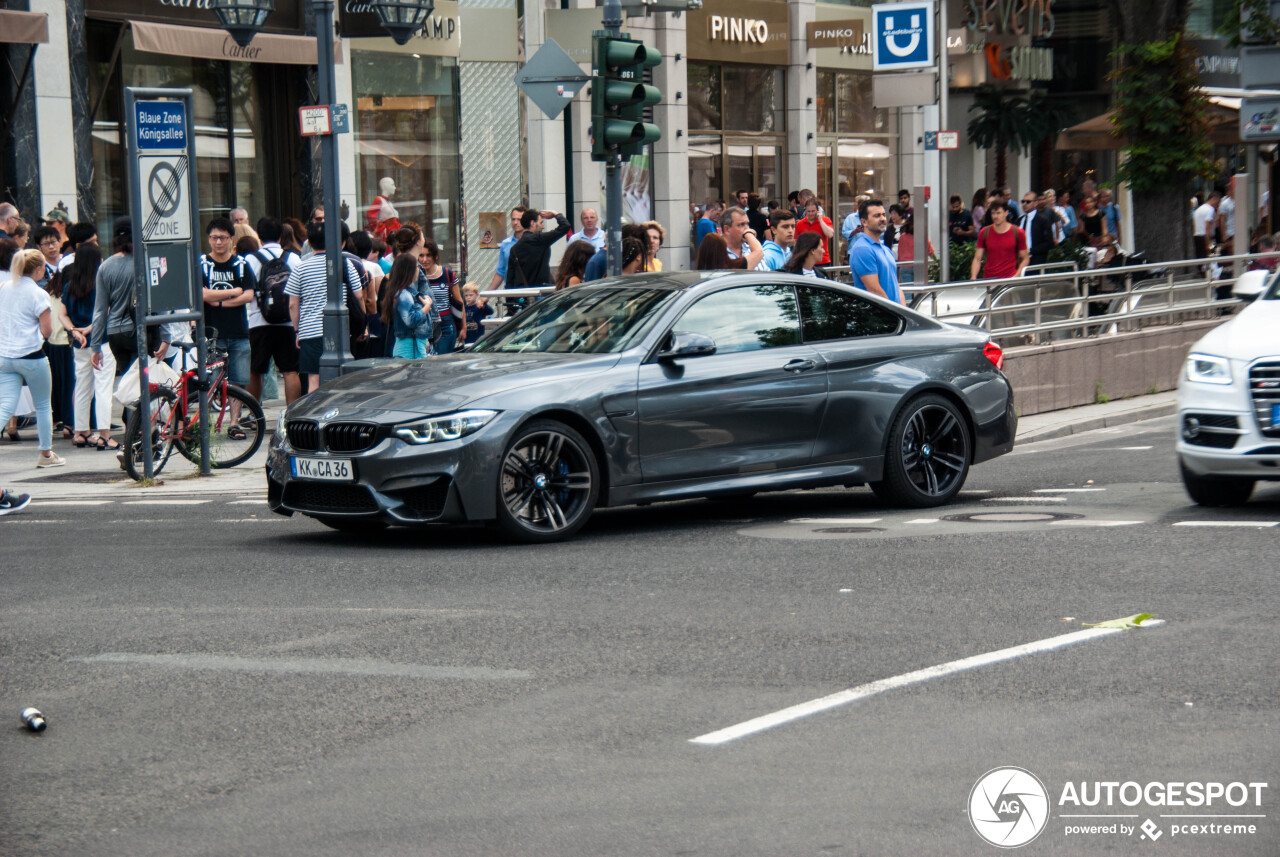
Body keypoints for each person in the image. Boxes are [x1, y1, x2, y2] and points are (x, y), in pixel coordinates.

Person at [0, 249, 65, 468]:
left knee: (5, 407)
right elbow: (47, 330)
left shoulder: (5, 288)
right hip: (31, 355)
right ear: (38, 269)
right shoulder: (39, 293)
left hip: (5, 356)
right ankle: (46, 455)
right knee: (43, 405)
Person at [285, 222, 364, 394]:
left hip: (310, 331)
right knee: (342, 378)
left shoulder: (300, 268)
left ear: (310, 244)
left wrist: (298, 331)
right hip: (341, 330)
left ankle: (315, 417)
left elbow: (293, 304)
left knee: (314, 379)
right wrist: (362, 323)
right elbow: (359, 296)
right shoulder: (345, 264)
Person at [58, 243, 116, 449]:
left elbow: (61, 314)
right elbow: (105, 311)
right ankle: (104, 435)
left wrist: (74, 330)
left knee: (82, 387)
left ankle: (80, 432)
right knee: (103, 387)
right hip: (100, 342)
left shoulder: (69, 286)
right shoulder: (101, 283)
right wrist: (90, 329)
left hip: (78, 344)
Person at [91, 217, 161, 377]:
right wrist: (166, 336)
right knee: (142, 381)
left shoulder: (105, 267)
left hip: (115, 333)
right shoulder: (144, 263)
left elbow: (100, 311)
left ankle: (128, 403)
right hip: (139, 329)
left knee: (127, 381)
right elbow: (157, 301)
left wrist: (95, 346)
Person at [199, 218, 255, 414]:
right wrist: (234, 291)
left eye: (223, 238)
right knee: (208, 381)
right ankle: (204, 426)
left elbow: (249, 294)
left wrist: (220, 301)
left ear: (231, 239)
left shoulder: (241, 264)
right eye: (214, 238)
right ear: (208, 239)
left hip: (238, 331)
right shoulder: (202, 263)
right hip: (211, 333)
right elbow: (203, 294)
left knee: (238, 382)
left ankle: (234, 423)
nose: (218, 242)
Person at [244, 217, 302, 406]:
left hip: (259, 321)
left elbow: (248, 291)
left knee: (256, 370)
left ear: (259, 236)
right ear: (280, 236)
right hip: (287, 321)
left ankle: (254, 414)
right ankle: (291, 414)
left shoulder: (250, 259)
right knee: (290, 371)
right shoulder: (293, 258)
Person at [848, 198, 901, 303]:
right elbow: (874, 290)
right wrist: (896, 313)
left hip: (894, 314)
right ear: (864, 222)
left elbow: (896, 286)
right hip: (880, 315)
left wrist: (904, 312)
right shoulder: (862, 249)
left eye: (883, 215)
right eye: (877, 216)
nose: (882, 219)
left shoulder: (885, 249)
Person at [382, 254, 433, 359]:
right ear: (409, 271)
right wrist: (427, 307)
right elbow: (410, 320)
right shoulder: (404, 294)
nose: (419, 270)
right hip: (408, 350)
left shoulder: (404, 292)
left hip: (411, 347)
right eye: (417, 267)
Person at [417, 237, 462, 354]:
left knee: (441, 362)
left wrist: (464, 327)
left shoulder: (447, 274)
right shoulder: (415, 275)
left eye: (428, 255)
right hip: (423, 324)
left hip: (445, 324)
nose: (424, 259)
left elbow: (459, 302)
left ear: (435, 256)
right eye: (421, 255)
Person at [509, 209, 570, 288]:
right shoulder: (540, 239)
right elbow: (565, 226)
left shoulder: (514, 248)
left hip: (522, 295)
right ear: (532, 223)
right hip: (541, 292)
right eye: (541, 223)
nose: (543, 226)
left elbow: (510, 278)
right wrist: (555, 214)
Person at [970, 200, 1028, 280]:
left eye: (998, 213)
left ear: (1006, 213)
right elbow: (977, 258)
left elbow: (1025, 258)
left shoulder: (1018, 232)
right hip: (989, 279)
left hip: (1009, 279)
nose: (995, 216)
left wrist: (1016, 276)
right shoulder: (984, 232)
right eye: (993, 213)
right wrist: (973, 277)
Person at [488, 205, 528, 291]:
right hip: (511, 290)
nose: (515, 222)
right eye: (513, 219)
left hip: (529, 290)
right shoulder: (506, 243)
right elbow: (501, 272)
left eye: (519, 219)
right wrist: (487, 295)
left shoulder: (532, 242)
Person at [794, 198, 834, 264]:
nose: (810, 214)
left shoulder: (826, 220)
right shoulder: (800, 224)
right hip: (806, 261)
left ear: (817, 211)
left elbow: (830, 235)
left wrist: (820, 220)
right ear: (805, 211)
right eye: (808, 211)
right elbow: (796, 242)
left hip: (822, 260)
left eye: (813, 211)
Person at [1019, 192, 1054, 268]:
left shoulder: (1042, 220)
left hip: (1036, 261)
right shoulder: (1020, 220)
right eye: (1023, 201)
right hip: (1020, 261)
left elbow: (1049, 243)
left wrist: (1031, 250)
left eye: (1028, 202)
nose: (1024, 204)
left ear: (1035, 203)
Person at [1192, 191, 1220, 258]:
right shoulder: (1210, 210)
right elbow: (1207, 227)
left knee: (1200, 257)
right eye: (1218, 202)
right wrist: (1208, 243)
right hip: (1205, 237)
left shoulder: (1199, 209)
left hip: (1196, 237)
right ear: (1214, 199)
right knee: (1210, 256)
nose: (1218, 205)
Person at [1217, 183, 1236, 256]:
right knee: (1231, 249)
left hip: (1237, 230)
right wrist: (1223, 234)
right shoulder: (1225, 203)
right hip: (1230, 231)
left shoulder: (1239, 201)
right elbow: (1222, 220)